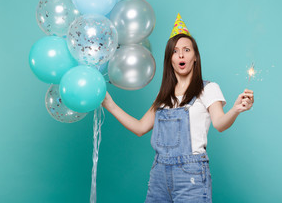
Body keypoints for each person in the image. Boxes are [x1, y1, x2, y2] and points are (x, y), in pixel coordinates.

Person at [102, 13, 254, 202]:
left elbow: (220, 123)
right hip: (159, 174)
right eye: (175, 51)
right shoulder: (164, 97)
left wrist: (235, 109)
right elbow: (140, 128)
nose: (181, 55)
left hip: (191, 175)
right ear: (170, 59)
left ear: (195, 57)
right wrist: (110, 104)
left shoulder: (208, 89)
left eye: (187, 50)